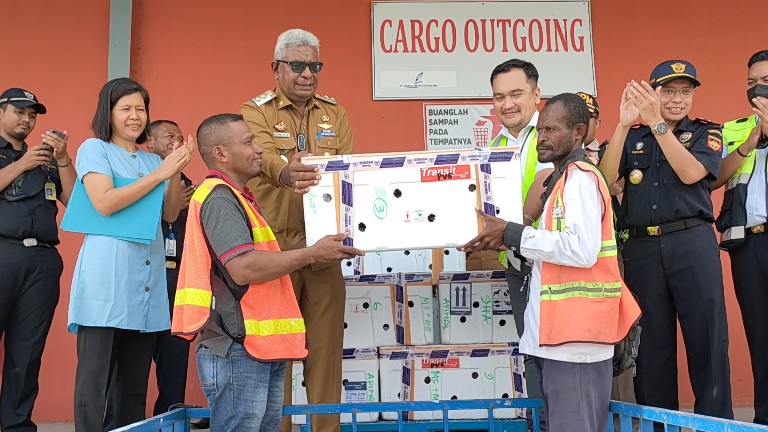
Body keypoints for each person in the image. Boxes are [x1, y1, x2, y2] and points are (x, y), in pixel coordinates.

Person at [171, 113, 363, 432]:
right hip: (236, 348)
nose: (259, 149)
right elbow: (243, 267)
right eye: (248, 142)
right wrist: (313, 253)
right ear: (221, 153)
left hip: (254, 347)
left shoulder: (239, 198)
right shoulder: (220, 199)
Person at [461, 93, 641, 432]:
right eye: (541, 129)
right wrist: (507, 237)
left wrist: (514, 234)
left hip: (577, 343)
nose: (542, 137)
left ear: (577, 132)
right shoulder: (560, 182)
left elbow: (581, 249)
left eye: (551, 130)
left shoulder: (580, 180)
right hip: (561, 340)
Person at [599, 60, 734, 422]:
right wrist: (625, 124)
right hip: (642, 248)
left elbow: (692, 173)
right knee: (652, 348)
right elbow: (605, 178)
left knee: (707, 339)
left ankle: (713, 425)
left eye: (685, 91)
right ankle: (660, 425)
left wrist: (657, 125)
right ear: (652, 93)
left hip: (692, 241)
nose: (677, 99)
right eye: (668, 91)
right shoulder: (634, 136)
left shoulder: (707, 133)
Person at [239, 28, 354, 432]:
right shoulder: (255, 111)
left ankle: (327, 428)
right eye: (299, 65)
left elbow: (348, 172)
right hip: (274, 249)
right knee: (278, 350)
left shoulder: (334, 113)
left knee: (325, 353)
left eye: (315, 66)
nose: (308, 74)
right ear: (276, 68)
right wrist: (285, 172)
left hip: (324, 247)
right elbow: (263, 156)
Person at [67, 77, 194, 431]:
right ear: (108, 112)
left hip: (146, 279)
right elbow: (104, 202)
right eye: (126, 109)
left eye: (140, 108)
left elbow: (169, 215)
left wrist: (175, 167)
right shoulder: (95, 149)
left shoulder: (154, 159)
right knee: (93, 384)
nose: (135, 116)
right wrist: (160, 175)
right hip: (107, 276)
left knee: (133, 386)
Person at [469, 58, 554, 430]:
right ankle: (542, 423)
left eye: (516, 93)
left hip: (553, 261)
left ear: (537, 95)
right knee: (531, 351)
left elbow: (545, 191)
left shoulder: (552, 133)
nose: (507, 104)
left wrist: (504, 230)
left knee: (557, 355)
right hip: (517, 264)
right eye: (499, 96)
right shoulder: (495, 145)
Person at [0, 87, 75, 431]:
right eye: (20, 112)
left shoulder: (44, 159)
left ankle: (16, 425)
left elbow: (75, 205)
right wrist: (22, 163)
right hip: (3, 253)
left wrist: (63, 160)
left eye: (33, 114)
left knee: (27, 350)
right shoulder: (24, 157)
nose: (27, 120)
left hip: (42, 259)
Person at [713, 49, 768, 426]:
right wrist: (749, 142)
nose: (757, 88)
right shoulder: (732, 129)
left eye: (764, 80)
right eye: (751, 83)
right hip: (749, 243)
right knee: (760, 337)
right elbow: (712, 179)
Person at [575, 91, 602, 164]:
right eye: (575, 116)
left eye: (586, 117)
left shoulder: (607, 152)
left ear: (596, 123)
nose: (581, 122)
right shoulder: (556, 150)